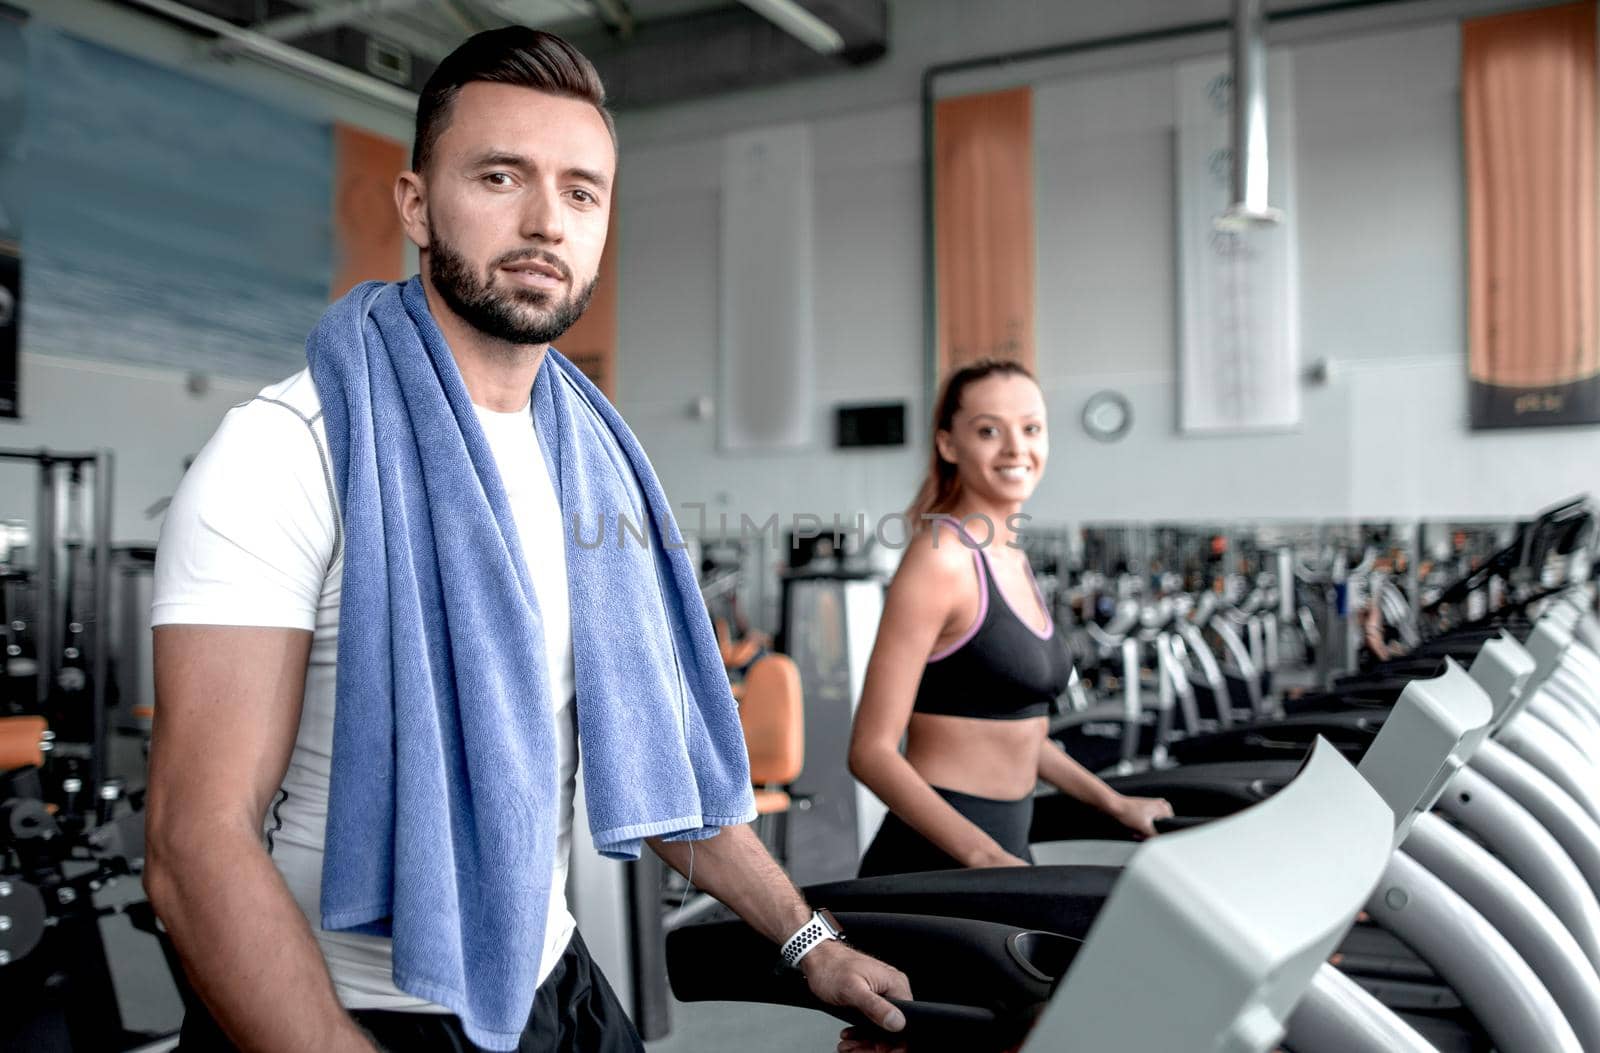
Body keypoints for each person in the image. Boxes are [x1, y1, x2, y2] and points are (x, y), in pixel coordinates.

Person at [144, 27, 907, 1053]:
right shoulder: (288, 451)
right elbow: (195, 845)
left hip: (552, 977)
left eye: (582, 191)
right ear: (415, 203)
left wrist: (810, 943)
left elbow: (661, 765)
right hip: (357, 1007)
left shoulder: (597, 460)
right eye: (501, 177)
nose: (546, 221)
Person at [849, 359, 1173, 877]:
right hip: (940, 859)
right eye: (988, 431)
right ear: (949, 444)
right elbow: (871, 751)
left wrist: (1114, 804)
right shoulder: (942, 559)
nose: (1016, 448)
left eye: (1031, 428)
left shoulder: (1010, 558)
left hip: (1003, 847)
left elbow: (1019, 733)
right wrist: (987, 858)